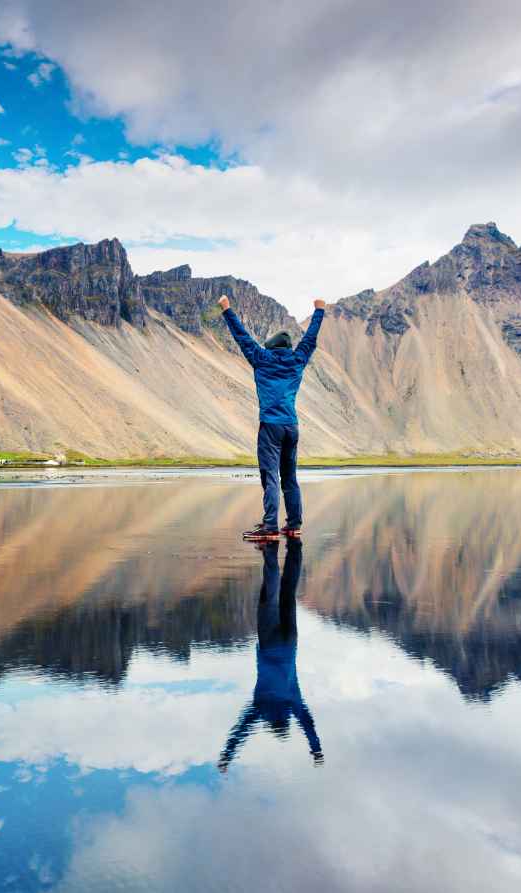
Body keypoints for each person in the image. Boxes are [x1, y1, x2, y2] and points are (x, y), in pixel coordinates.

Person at [218, 293, 327, 540]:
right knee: (290, 477)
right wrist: (319, 310)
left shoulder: (262, 359)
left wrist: (227, 310)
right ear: (287, 347)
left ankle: (270, 527)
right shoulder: (297, 359)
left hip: (270, 427)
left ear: (271, 346)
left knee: (270, 476)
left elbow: (242, 337)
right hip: (291, 426)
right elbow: (310, 339)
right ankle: (294, 524)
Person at [218, 539, 322, 772]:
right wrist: (227, 754)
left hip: (289, 642)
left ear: (285, 721)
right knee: (270, 593)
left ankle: (295, 547)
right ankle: (270, 549)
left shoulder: (293, 704)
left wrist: (316, 749)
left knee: (287, 592)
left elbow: (307, 724)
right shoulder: (261, 708)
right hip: (268, 642)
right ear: (271, 723)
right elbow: (241, 729)